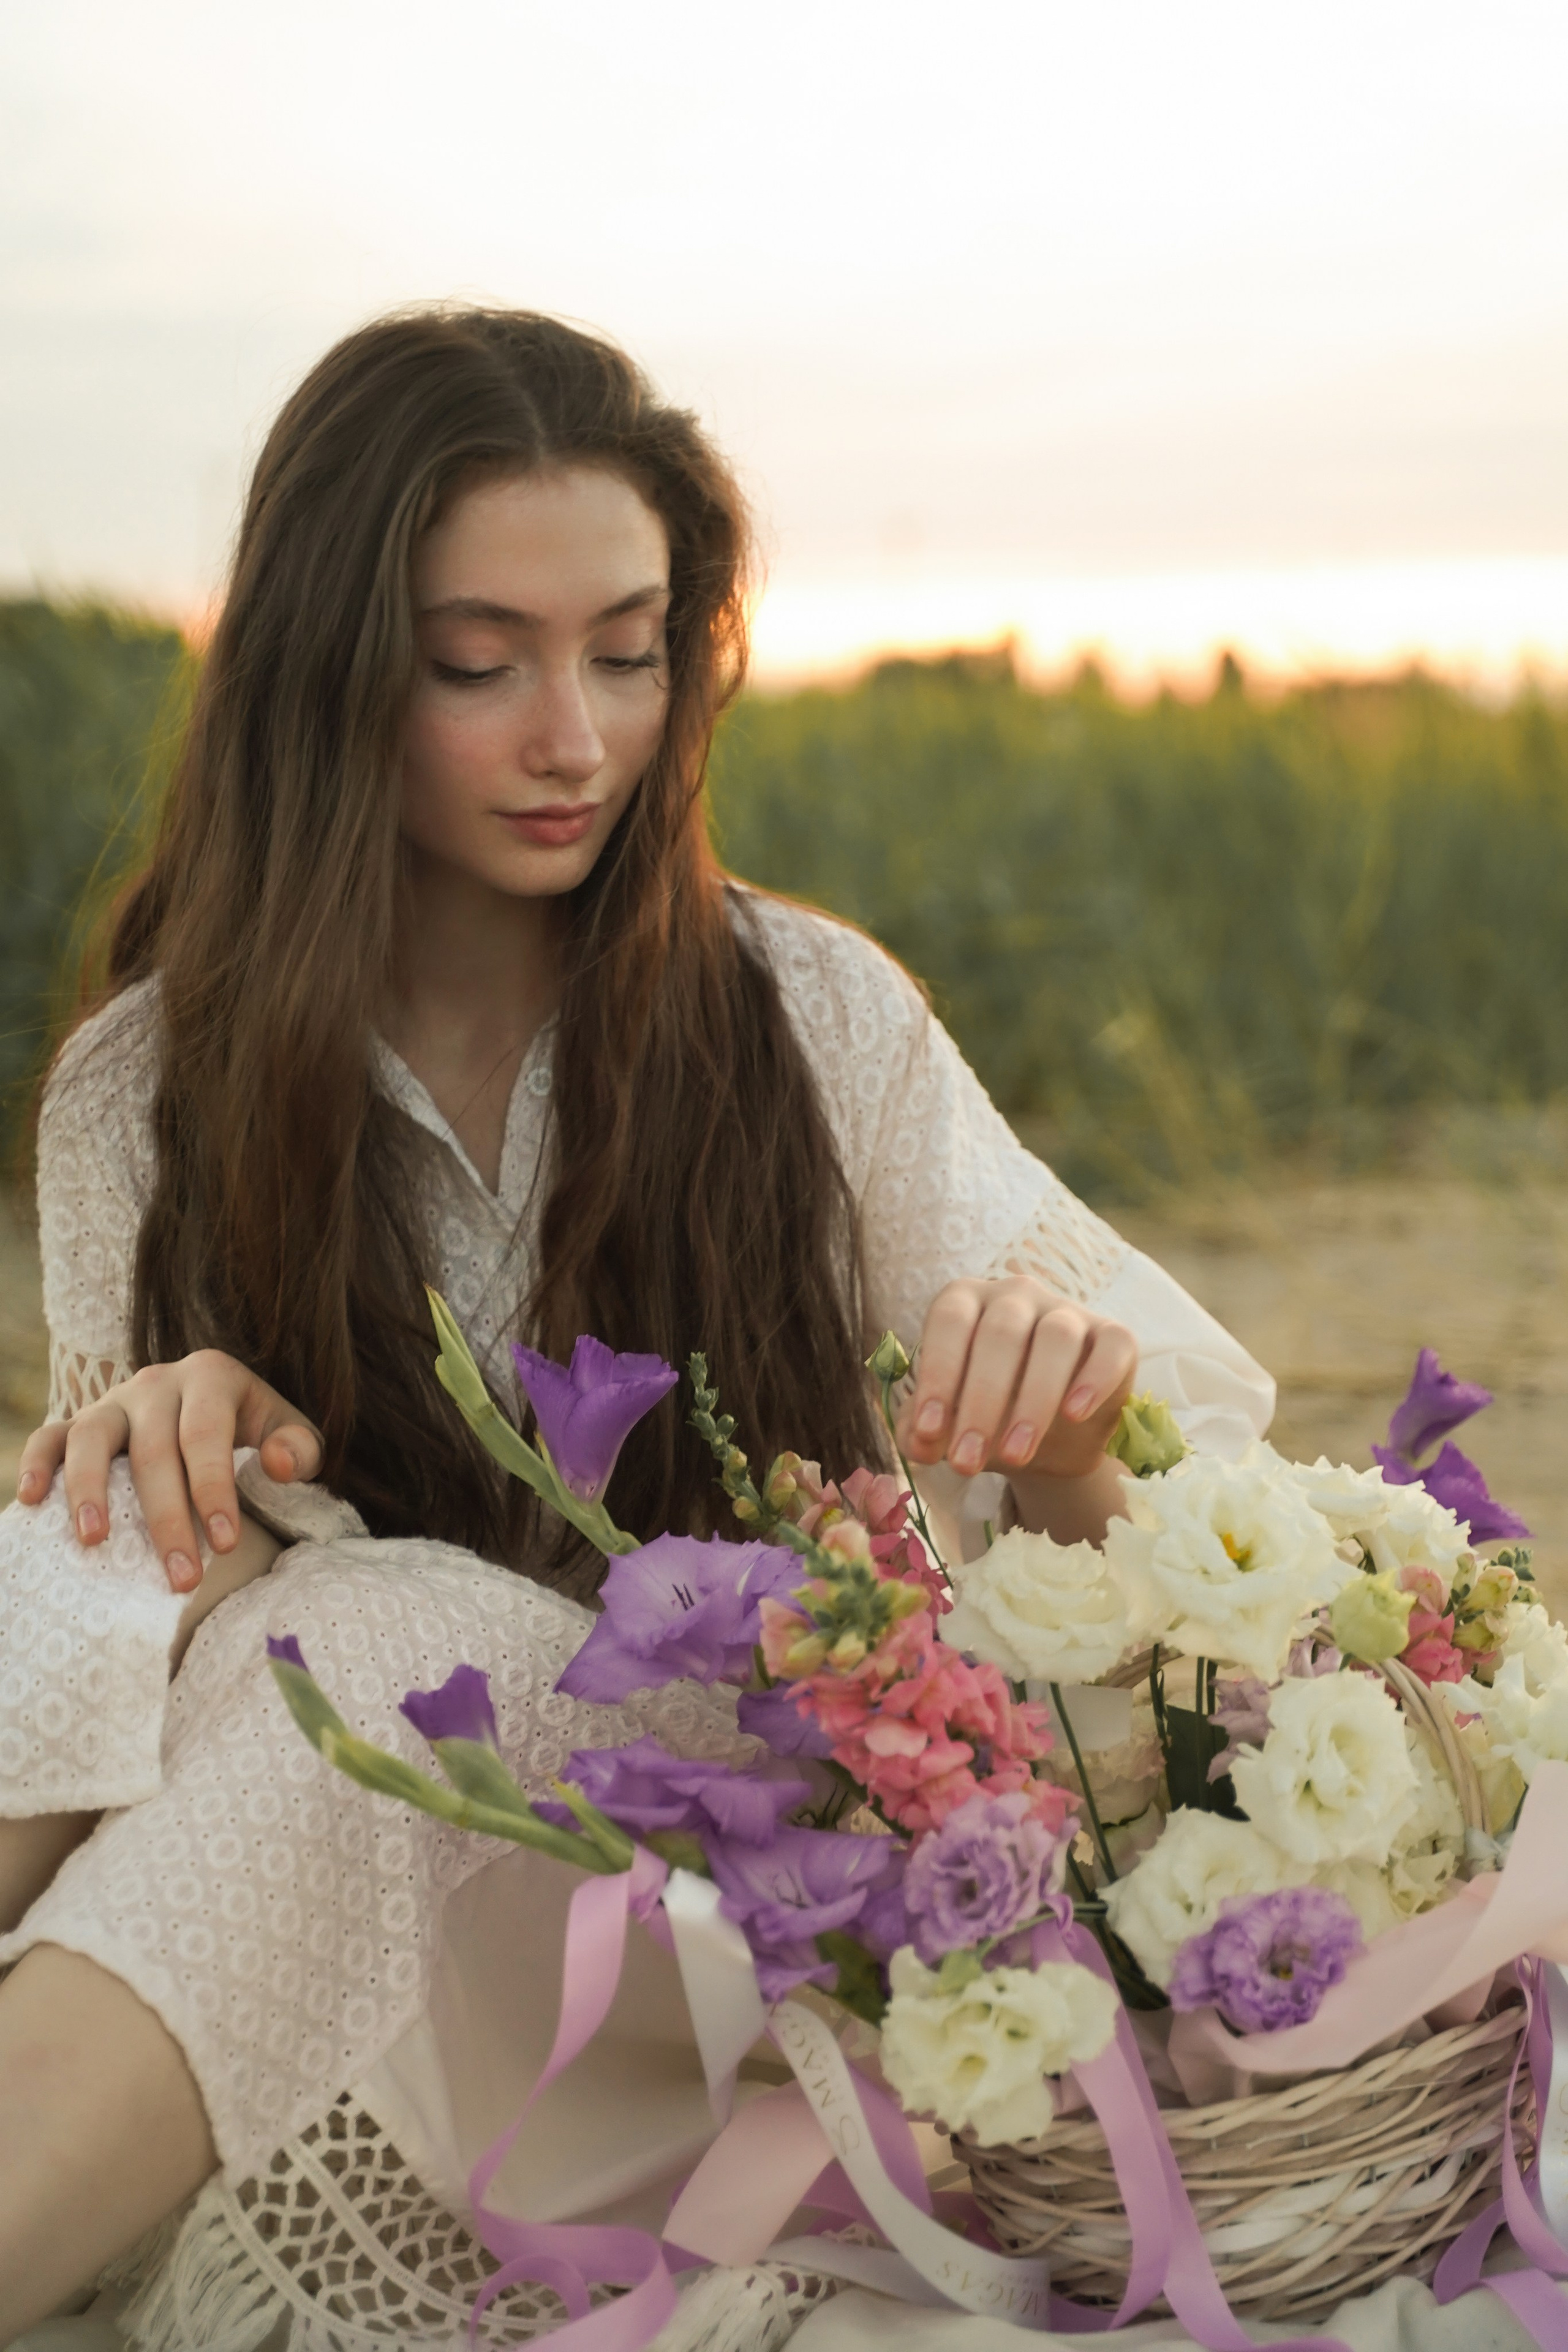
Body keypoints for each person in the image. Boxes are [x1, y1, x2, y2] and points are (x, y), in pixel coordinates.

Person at [0, 309, 1272, 2350]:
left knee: (414, 1642)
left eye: (629, 645)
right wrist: (173, 1453)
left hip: (712, 1931)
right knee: (125, 1570)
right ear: (330, 671)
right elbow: (105, 1665)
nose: (575, 734)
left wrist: (1057, 1423)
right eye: (477, 660)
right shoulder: (144, 1088)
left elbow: (1159, 1591)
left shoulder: (813, 1016)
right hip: (289, 1968)